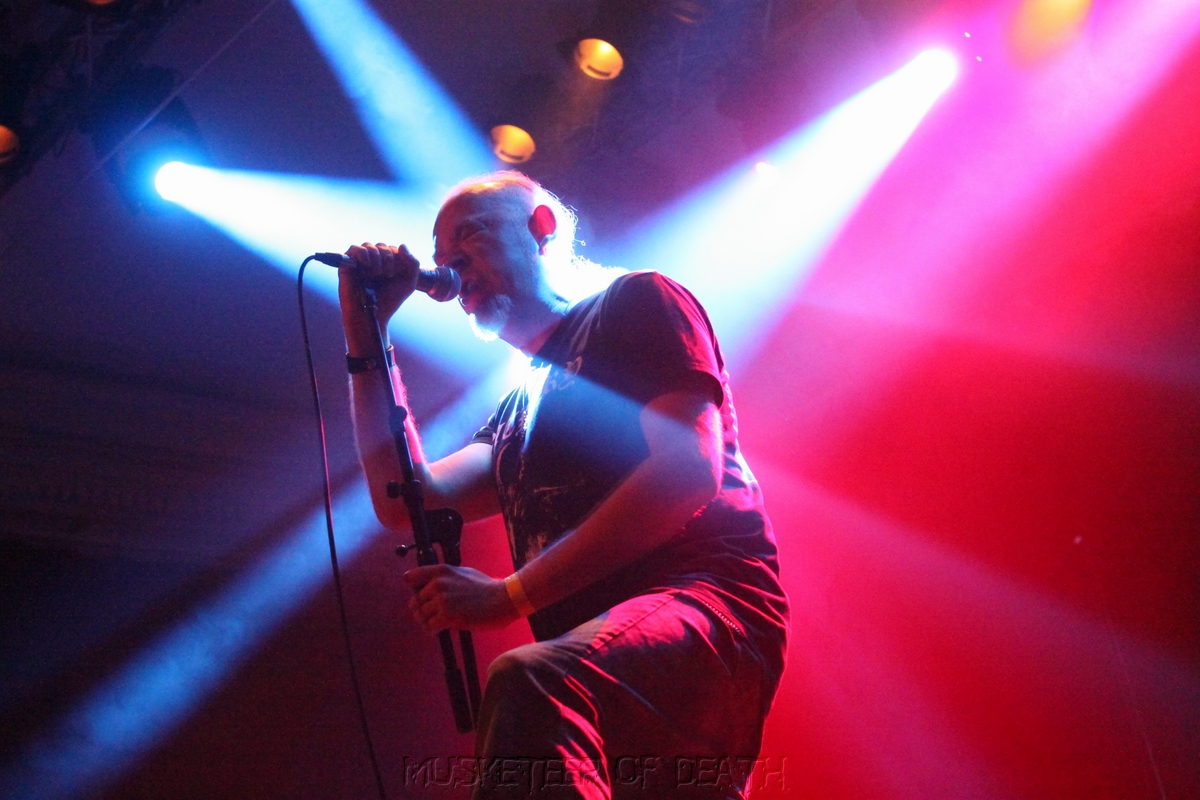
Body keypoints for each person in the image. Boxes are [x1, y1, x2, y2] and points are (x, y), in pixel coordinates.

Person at [339, 172, 789, 799]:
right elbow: (406, 498)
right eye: (441, 255)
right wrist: (366, 335)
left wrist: (508, 596)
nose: (450, 265)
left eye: (469, 236)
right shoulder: (517, 408)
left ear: (541, 227)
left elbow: (687, 470)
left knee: (530, 681)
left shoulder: (634, 302)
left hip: (704, 609)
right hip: (604, 656)